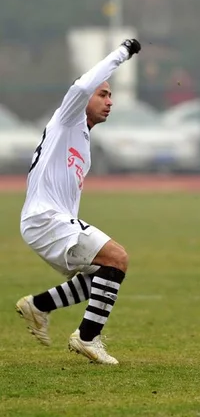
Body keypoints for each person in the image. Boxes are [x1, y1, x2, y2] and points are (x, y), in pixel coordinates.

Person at [15, 39, 141, 365]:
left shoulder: (83, 139)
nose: (109, 101)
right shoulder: (67, 118)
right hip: (45, 218)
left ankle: (39, 305)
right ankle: (87, 337)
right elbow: (83, 84)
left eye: (111, 95)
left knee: (105, 272)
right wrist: (122, 53)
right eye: (103, 94)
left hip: (46, 221)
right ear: (84, 99)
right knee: (119, 258)